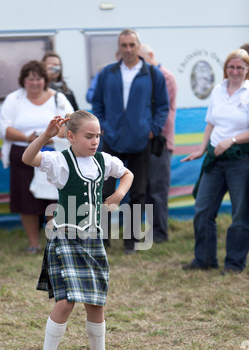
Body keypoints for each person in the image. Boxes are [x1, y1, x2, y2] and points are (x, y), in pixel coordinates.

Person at [22, 112, 133, 350]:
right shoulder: (60, 161)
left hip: (93, 239)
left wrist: (118, 194)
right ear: (70, 136)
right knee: (67, 301)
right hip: (66, 237)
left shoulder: (104, 161)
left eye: (97, 136)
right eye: (88, 136)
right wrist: (46, 136)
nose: (95, 141)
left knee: (96, 302)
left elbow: (127, 173)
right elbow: (28, 158)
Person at [92, 29, 169, 253]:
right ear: (119, 48)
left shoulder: (153, 74)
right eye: (123, 45)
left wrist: (152, 130)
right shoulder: (107, 73)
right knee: (104, 190)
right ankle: (103, 240)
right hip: (111, 141)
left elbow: (163, 106)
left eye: (131, 45)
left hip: (140, 142)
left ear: (138, 46)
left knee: (137, 192)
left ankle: (131, 241)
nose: (128, 49)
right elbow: (97, 104)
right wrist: (103, 126)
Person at [181, 49, 249, 274]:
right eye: (231, 67)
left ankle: (234, 264)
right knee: (202, 208)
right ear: (225, 69)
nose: (235, 71)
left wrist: (232, 140)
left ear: (247, 70)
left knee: (240, 212)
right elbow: (210, 122)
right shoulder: (218, 90)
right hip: (214, 158)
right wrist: (201, 149)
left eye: (240, 67)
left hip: (241, 159)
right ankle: (205, 260)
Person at [0, 60, 73, 254]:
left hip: (53, 157)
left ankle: (55, 242)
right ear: (24, 80)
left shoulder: (58, 98)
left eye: (38, 78)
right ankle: (33, 243)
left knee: (55, 201)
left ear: (44, 79)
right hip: (23, 156)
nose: (34, 82)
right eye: (30, 79)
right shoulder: (14, 99)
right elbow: (3, 128)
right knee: (26, 201)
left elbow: (71, 124)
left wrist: (50, 136)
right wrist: (28, 138)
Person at [139, 44, 178, 243]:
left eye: (140, 58)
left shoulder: (165, 77)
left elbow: (160, 111)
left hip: (159, 143)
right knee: (142, 189)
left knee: (157, 190)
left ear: (151, 56)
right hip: (143, 142)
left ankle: (160, 234)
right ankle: (145, 232)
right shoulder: (145, 76)